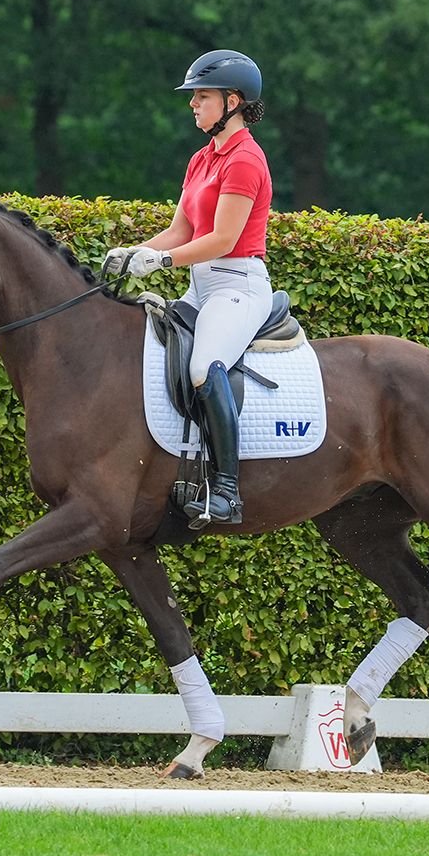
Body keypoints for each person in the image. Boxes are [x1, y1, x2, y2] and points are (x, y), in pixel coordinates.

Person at [105, 49, 273, 527]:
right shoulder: (202, 159)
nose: (193, 105)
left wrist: (162, 261)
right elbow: (180, 231)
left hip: (237, 284)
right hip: (202, 285)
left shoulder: (245, 160)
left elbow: (221, 238)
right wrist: (135, 250)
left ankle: (226, 489)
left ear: (233, 101)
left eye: (202, 96)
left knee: (204, 365)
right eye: (194, 97)